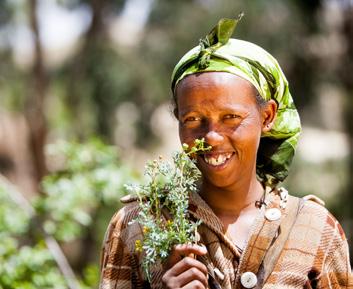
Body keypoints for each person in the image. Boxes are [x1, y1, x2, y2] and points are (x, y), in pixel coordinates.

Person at [99, 17, 352, 289]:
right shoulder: (138, 224)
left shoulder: (314, 230)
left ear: (267, 116)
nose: (211, 137)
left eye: (230, 117)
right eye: (193, 119)